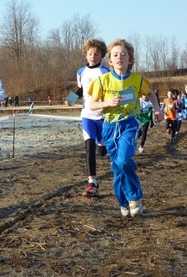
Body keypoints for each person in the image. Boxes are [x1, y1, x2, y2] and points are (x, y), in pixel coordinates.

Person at [88, 39, 164, 217]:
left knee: (123, 160)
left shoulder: (137, 80)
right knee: (117, 166)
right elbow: (91, 104)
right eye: (115, 55)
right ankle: (123, 201)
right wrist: (107, 102)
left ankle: (134, 197)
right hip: (109, 126)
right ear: (110, 61)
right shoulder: (102, 80)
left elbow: (150, 93)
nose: (119, 57)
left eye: (123, 54)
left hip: (130, 124)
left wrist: (158, 109)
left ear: (130, 60)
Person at [66, 38, 110, 198]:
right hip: (87, 116)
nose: (93, 57)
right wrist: (71, 98)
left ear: (102, 56)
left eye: (97, 54)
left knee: (101, 150)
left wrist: (104, 107)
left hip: (103, 116)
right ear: (86, 55)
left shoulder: (105, 73)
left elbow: (110, 93)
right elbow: (80, 88)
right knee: (89, 147)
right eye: (91, 54)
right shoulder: (81, 72)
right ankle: (93, 183)